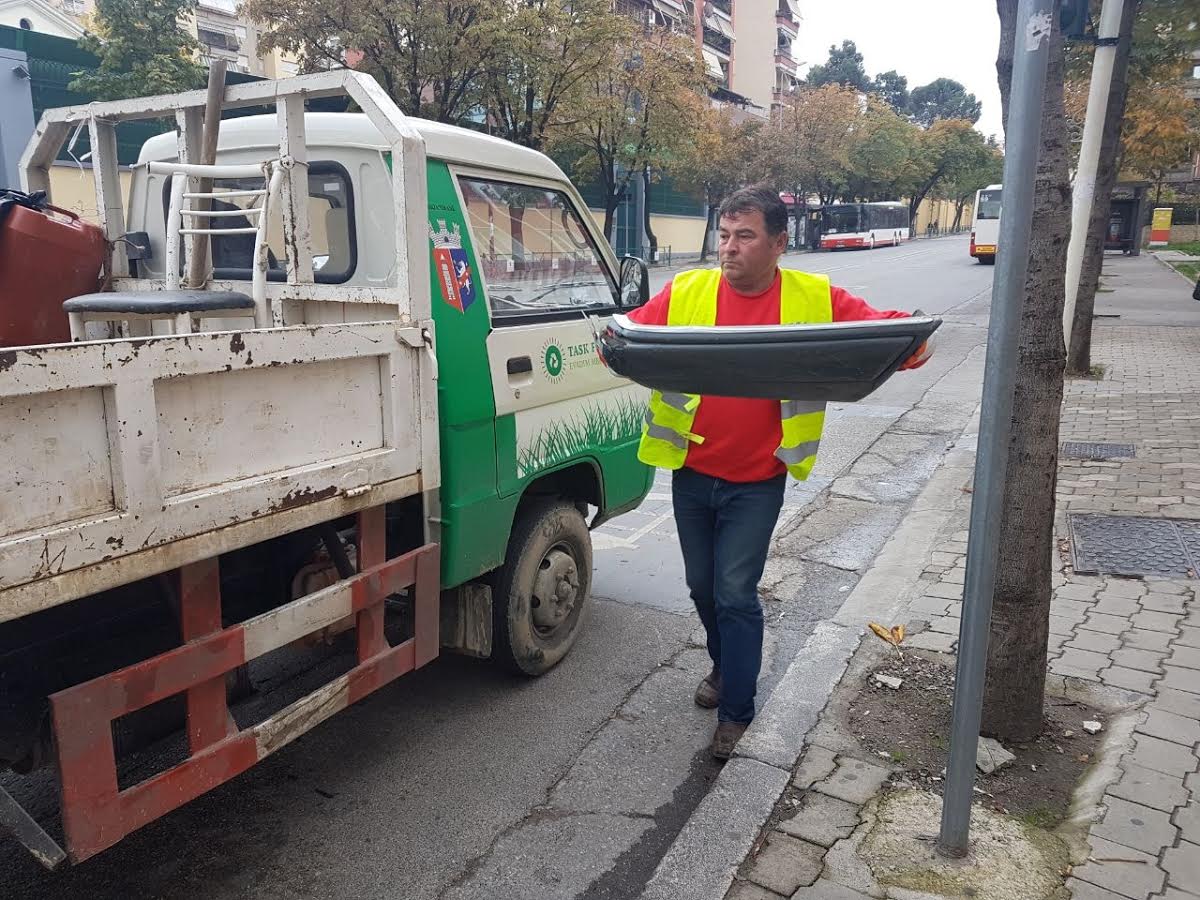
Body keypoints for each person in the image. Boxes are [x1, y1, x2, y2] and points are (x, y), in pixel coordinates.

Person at [626, 185, 932, 759]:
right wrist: (608, 342)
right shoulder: (688, 290)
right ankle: (724, 668)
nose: (728, 248)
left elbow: (881, 329)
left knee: (735, 592)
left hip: (756, 481)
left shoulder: (812, 296)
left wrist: (915, 342)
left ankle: (737, 712)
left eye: (744, 237)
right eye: (724, 235)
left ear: (779, 244)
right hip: (692, 471)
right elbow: (634, 331)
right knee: (701, 588)